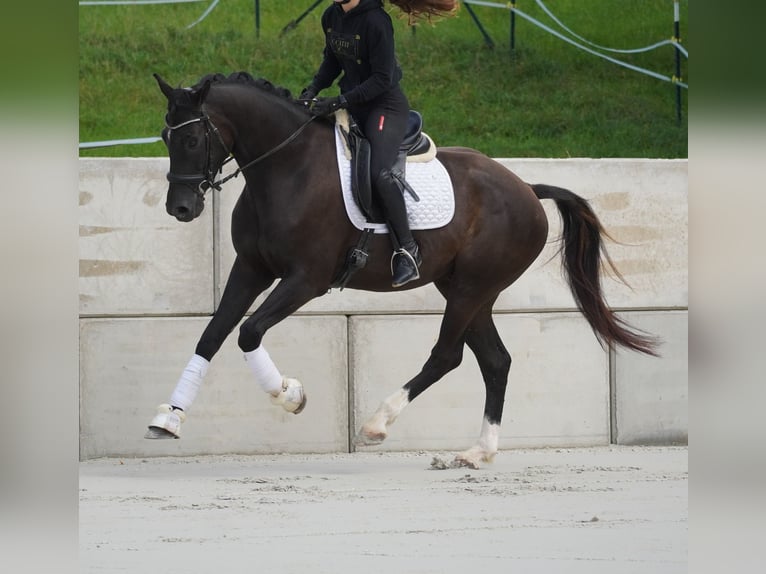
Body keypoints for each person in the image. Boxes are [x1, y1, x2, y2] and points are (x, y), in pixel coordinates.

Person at [300, 0, 457, 288]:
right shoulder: (332, 16)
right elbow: (332, 62)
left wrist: (339, 101)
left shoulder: (376, 21)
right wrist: (312, 89)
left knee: (380, 174)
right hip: (353, 103)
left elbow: (382, 79)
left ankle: (408, 251)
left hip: (384, 107)